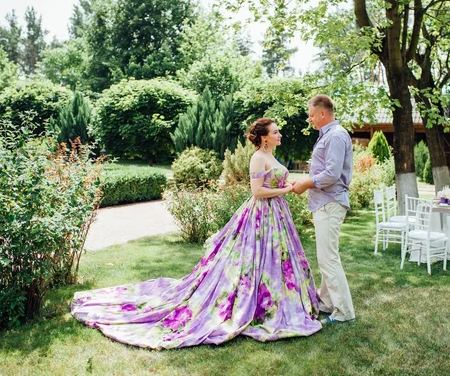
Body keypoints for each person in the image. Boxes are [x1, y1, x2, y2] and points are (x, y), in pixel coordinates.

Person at [71, 118, 322, 349]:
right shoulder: (258, 157)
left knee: (276, 260)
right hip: (262, 214)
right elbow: (257, 192)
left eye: (278, 131)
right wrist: (286, 191)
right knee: (251, 261)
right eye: (275, 132)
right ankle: (255, 305)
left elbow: (272, 185)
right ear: (264, 137)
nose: (280, 134)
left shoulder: (272, 156)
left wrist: (286, 187)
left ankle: (276, 302)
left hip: (277, 214)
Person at [292, 94, 355, 324]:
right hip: (324, 203)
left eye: (311, 115)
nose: (310, 119)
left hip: (330, 202)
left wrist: (305, 184)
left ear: (322, 113)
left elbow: (331, 174)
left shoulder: (336, 136)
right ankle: (328, 303)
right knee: (326, 258)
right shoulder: (327, 136)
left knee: (328, 259)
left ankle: (344, 311)